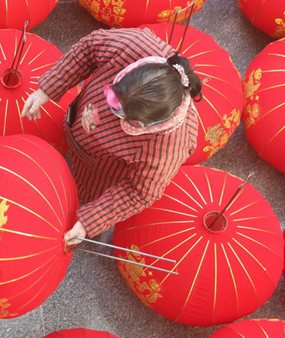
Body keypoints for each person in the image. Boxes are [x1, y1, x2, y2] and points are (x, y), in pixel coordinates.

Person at [21, 27, 202, 248]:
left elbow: (139, 192)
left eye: (122, 113)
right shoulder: (134, 45)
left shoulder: (168, 147)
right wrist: (47, 90)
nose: (111, 109)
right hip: (78, 120)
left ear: (146, 124)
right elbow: (89, 48)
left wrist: (89, 222)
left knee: (83, 192)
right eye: (112, 97)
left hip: (101, 170)